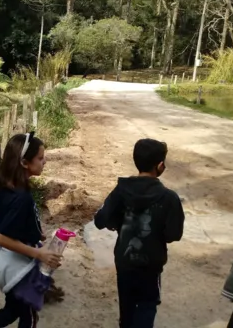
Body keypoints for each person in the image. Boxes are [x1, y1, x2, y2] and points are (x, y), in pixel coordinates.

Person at [93, 138, 185, 328]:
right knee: (147, 305)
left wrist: (117, 223)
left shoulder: (121, 190)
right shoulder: (169, 198)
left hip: (124, 261)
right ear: (160, 165)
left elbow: (100, 220)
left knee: (126, 307)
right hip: (151, 265)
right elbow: (173, 234)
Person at [0, 132, 62, 328]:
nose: (44, 162)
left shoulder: (9, 188)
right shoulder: (21, 197)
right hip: (19, 267)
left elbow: (9, 221)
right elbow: (1, 237)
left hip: (12, 262)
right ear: (24, 162)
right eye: (40, 158)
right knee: (28, 317)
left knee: (13, 311)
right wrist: (38, 253)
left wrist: (33, 231)